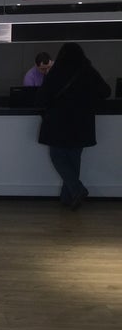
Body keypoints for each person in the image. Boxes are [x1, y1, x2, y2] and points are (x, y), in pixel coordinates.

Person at [36, 42, 111, 209]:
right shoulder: (88, 71)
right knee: (74, 159)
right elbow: (106, 91)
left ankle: (76, 190)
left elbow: (41, 98)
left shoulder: (56, 72)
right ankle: (68, 198)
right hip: (82, 124)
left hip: (58, 123)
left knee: (57, 156)